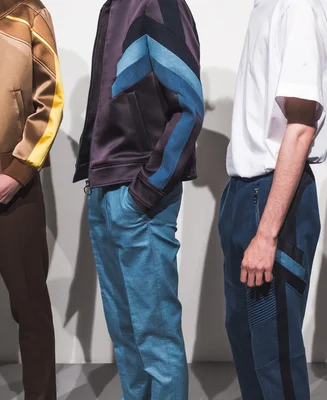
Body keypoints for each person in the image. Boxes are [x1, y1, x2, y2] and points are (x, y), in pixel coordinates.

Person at [73, 0, 203, 398]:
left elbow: (189, 106)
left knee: (155, 339)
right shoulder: (114, 7)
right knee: (127, 341)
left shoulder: (156, 3)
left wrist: (145, 189)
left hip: (136, 193)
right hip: (105, 187)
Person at [219, 0, 327, 398]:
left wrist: (267, 234)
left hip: (272, 196)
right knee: (247, 344)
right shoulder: (265, 7)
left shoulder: (296, 8)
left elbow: (301, 126)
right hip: (242, 192)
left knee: (274, 357)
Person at [0, 0, 63, 398]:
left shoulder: (28, 14)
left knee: (30, 307)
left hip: (12, 183)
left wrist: (18, 171)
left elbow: (51, 97)